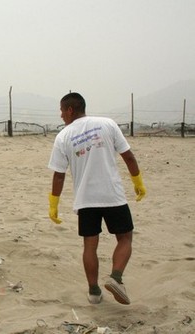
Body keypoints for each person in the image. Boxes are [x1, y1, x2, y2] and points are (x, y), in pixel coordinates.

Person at [48, 92, 146, 305]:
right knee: (125, 238)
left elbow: (58, 174)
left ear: (70, 110)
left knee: (89, 246)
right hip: (112, 195)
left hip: (85, 200)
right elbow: (128, 156)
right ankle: (116, 277)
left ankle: (94, 292)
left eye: (62, 110)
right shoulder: (108, 124)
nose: (61, 115)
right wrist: (137, 181)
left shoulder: (63, 136)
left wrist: (53, 203)